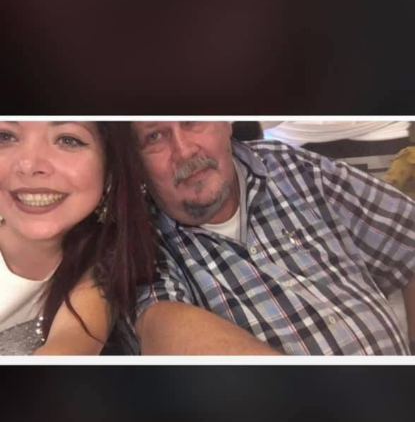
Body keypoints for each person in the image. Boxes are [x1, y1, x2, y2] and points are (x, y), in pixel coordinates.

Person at [134, 121, 415, 356]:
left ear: (226, 123)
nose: (185, 151)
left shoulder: (290, 166)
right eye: (154, 137)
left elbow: (407, 237)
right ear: (133, 162)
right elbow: (161, 327)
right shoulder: (142, 235)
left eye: (193, 121)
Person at [0, 120, 154, 356]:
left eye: (68, 140)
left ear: (110, 168)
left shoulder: (105, 266)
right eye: (5, 137)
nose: (29, 165)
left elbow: (71, 344)